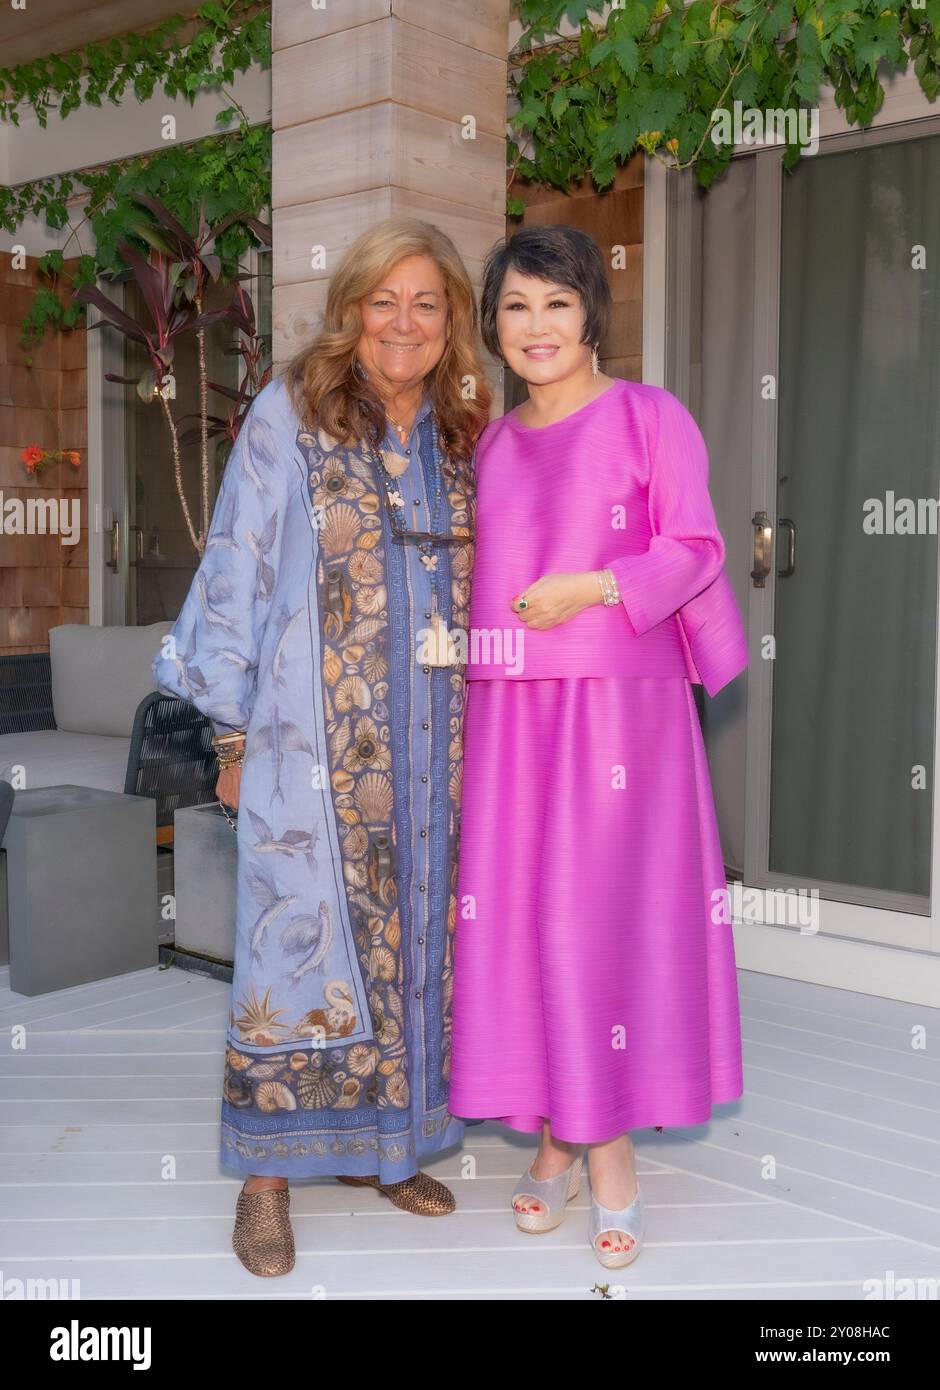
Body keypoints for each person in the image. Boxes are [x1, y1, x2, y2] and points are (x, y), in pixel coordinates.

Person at [154, 216, 489, 1276]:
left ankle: (384, 1151)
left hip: (439, 751)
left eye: (426, 302)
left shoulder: (460, 428)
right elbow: (237, 567)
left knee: (418, 950)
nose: (403, 322)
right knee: (290, 947)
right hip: (308, 747)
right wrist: (233, 729)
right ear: (350, 310)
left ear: (451, 322)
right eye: (382, 300)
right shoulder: (290, 414)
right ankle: (264, 1182)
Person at [449, 224, 748, 1270]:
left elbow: (697, 547)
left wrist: (592, 585)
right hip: (511, 716)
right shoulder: (488, 439)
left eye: (557, 304)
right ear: (494, 324)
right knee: (525, 921)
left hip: (620, 714)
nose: (535, 327)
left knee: (592, 924)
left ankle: (604, 1151)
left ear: (591, 316)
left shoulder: (647, 416)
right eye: (516, 306)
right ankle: (551, 1134)